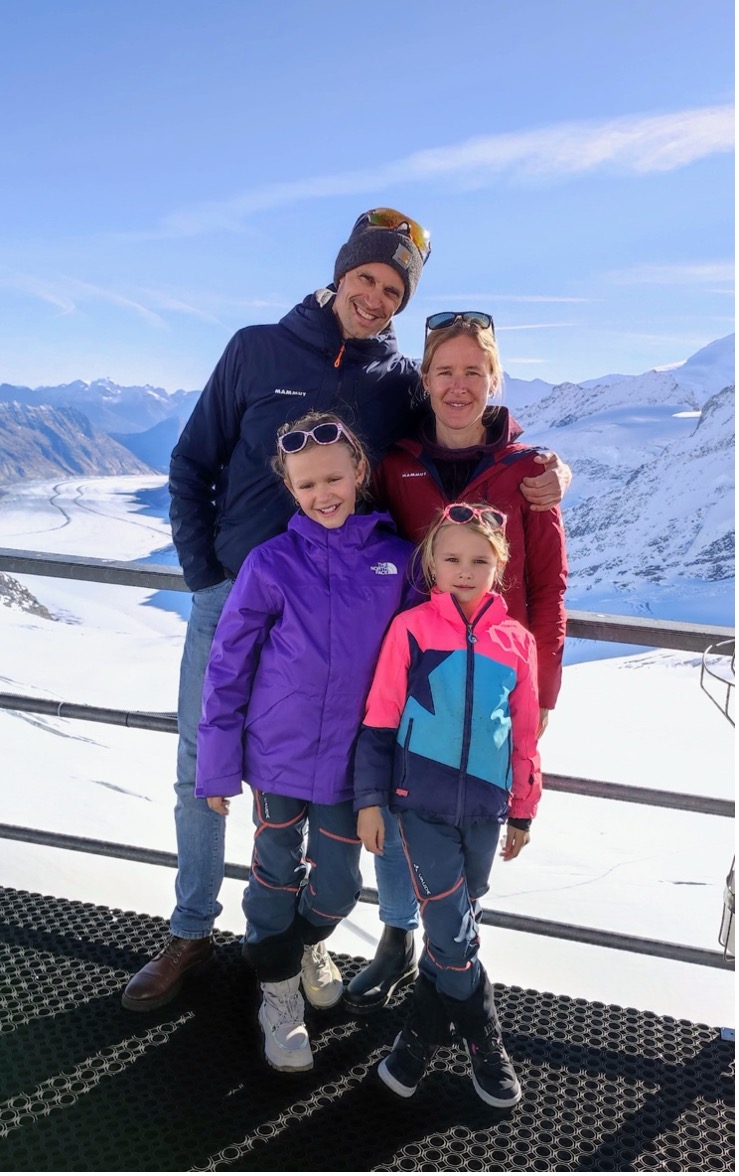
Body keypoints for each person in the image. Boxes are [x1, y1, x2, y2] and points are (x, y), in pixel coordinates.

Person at [121, 211, 567, 1013]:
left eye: (392, 290)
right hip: (238, 591)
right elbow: (191, 461)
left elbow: (449, 437)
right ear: (339, 274)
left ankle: (296, 942)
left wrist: (543, 464)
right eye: (366, 278)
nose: (374, 297)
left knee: (324, 775)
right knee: (204, 766)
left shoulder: (396, 380)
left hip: (337, 616)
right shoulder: (256, 347)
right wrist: (205, 574)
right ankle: (190, 929)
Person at [345, 311, 567, 1014]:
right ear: (425, 378)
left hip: (496, 677)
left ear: (492, 377)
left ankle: (451, 962)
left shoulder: (529, 472)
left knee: (470, 823)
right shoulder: (396, 463)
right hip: (408, 671)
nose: (458, 384)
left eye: (473, 370)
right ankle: (395, 937)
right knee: (401, 809)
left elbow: (547, 585)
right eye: (445, 370)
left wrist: (543, 693)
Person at [195, 412, 416, 1071]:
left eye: (333, 478)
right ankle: (278, 992)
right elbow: (228, 664)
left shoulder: (397, 561)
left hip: (357, 764)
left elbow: (416, 661)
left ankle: (301, 943)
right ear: (289, 490)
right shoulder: (271, 562)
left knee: (341, 884)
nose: (322, 494)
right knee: (271, 869)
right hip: (277, 756)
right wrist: (215, 767)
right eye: (305, 485)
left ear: (359, 474)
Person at [354, 503, 543, 1106]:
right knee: (452, 928)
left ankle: (419, 1036)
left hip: (487, 811)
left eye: (479, 560)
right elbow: (380, 720)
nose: (465, 570)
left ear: (501, 566)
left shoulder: (517, 642)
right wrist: (369, 801)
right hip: (421, 806)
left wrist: (523, 809)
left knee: (456, 927)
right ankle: (483, 1039)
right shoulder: (411, 628)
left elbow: (524, 733)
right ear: (431, 560)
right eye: (452, 557)